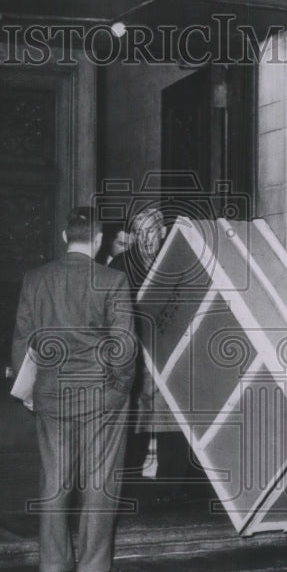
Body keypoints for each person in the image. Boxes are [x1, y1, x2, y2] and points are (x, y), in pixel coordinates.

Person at [12, 206, 136, 572]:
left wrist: (30, 391)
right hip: (101, 394)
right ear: (98, 240)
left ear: (67, 237)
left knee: (54, 477)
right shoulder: (113, 280)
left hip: (53, 391)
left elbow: (23, 341)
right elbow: (124, 344)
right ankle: (94, 567)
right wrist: (120, 388)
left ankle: (52, 565)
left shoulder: (36, 279)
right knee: (100, 479)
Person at [110, 203, 199, 496]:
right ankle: (129, 489)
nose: (146, 238)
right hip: (135, 358)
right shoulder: (120, 266)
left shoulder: (179, 261)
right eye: (139, 232)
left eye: (151, 231)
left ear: (162, 232)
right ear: (132, 236)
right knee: (133, 423)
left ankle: (172, 489)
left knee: (172, 422)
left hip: (172, 356)